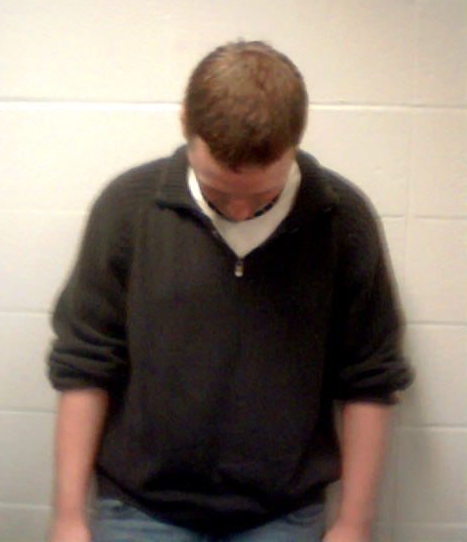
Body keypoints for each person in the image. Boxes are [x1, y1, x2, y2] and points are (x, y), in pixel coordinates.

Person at [47, 40, 413, 542]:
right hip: (139, 511)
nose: (239, 211)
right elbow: (84, 363)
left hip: (282, 517)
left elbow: (369, 377)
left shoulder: (341, 219)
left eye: (261, 194)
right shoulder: (128, 209)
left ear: (296, 139)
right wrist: (67, 517)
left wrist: (353, 524)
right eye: (217, 189)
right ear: (185, 124)